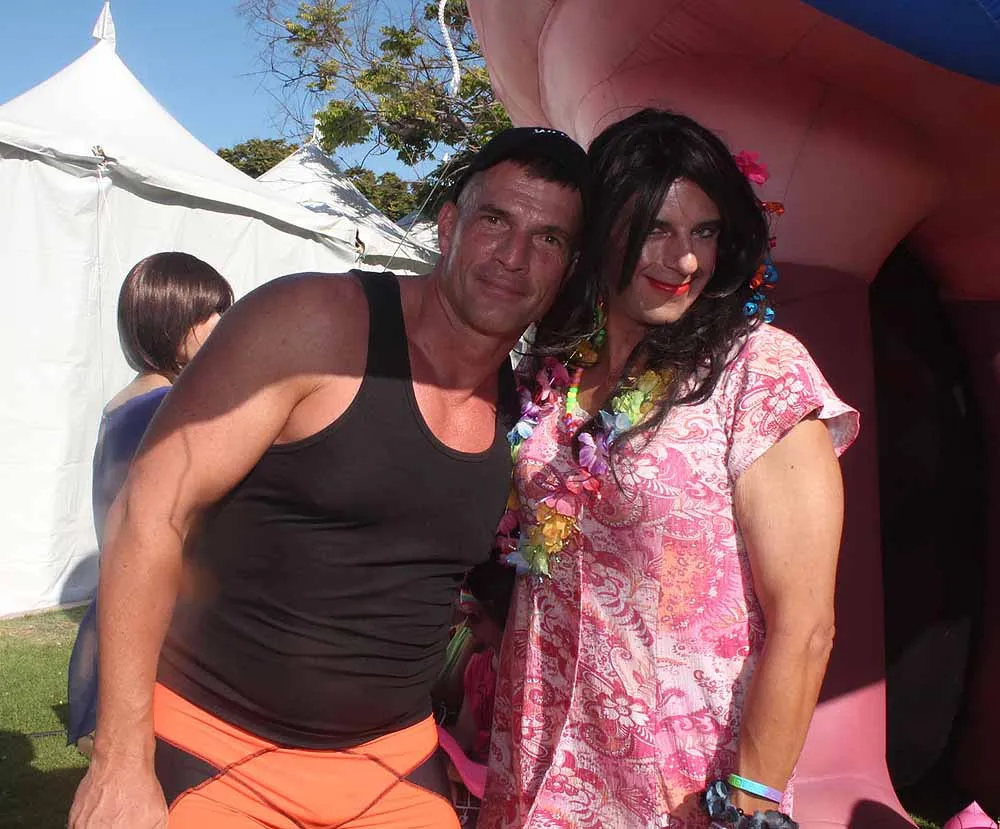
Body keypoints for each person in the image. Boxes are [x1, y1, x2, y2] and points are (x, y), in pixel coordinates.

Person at [68, 127, 587, 829]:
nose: (514, 255)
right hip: (218, 750)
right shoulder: (312, 322)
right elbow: (148, 511)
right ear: (448, 226)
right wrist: (120, 761)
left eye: (549, 238)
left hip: (389, 769)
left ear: (567, 269)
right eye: (495, 220)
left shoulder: (528, 406)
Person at [479, 110, 861, 828]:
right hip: (536, 757)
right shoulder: (552, 371)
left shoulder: (758, 369)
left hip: (677, 787)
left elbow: (806, 625)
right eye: (655, 228)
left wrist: (748, 805)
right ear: (600, 230)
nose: (684, 260)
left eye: (704, 232)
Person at [67, 252, 233, 756]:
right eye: (211, 313)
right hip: (159, 625)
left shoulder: (124, 403)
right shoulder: (164, 408)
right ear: (172, 320)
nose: (224, 325)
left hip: (122, 609)